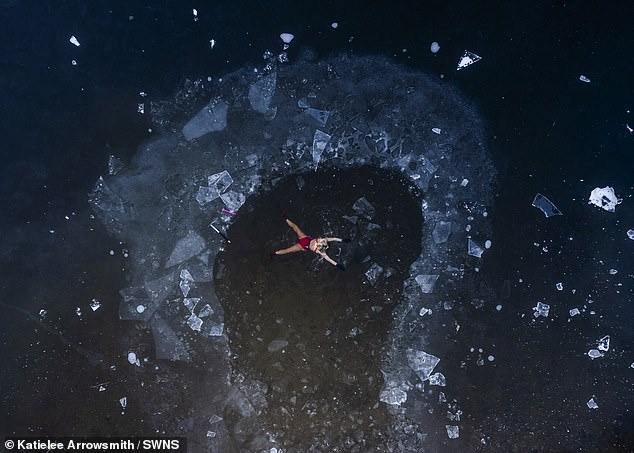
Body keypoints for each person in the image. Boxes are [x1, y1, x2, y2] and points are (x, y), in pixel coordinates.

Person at [272, 213, 348, 270]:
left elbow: (330, 260)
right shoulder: (323, 240)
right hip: (305, 238)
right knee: (295, 227)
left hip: (302, 246)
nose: (322, 243)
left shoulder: (322, 252)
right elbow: (334, 238)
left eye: (322, 245)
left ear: (322, 248)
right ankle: (285, 218)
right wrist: (342, 240)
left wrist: (338, 265)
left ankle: (273, 253)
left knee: (287, 250)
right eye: (323, 243)